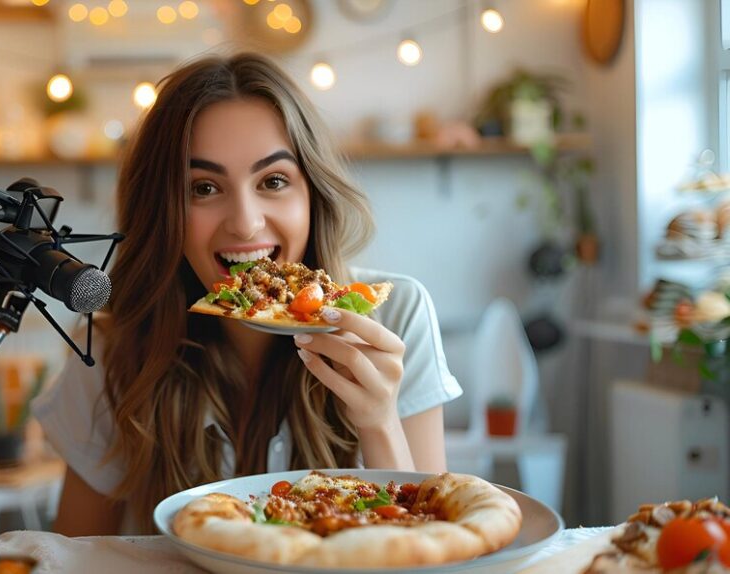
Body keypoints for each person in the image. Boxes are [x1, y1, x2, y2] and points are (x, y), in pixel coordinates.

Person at [33, 52, 461, 536]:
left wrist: (378, 420)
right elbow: (72, 556)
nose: (245, 222)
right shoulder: (112, 349)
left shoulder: (397, 315)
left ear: (313, 193)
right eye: (204, 188)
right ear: (163, 210)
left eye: (273, 181)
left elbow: (431, 552)